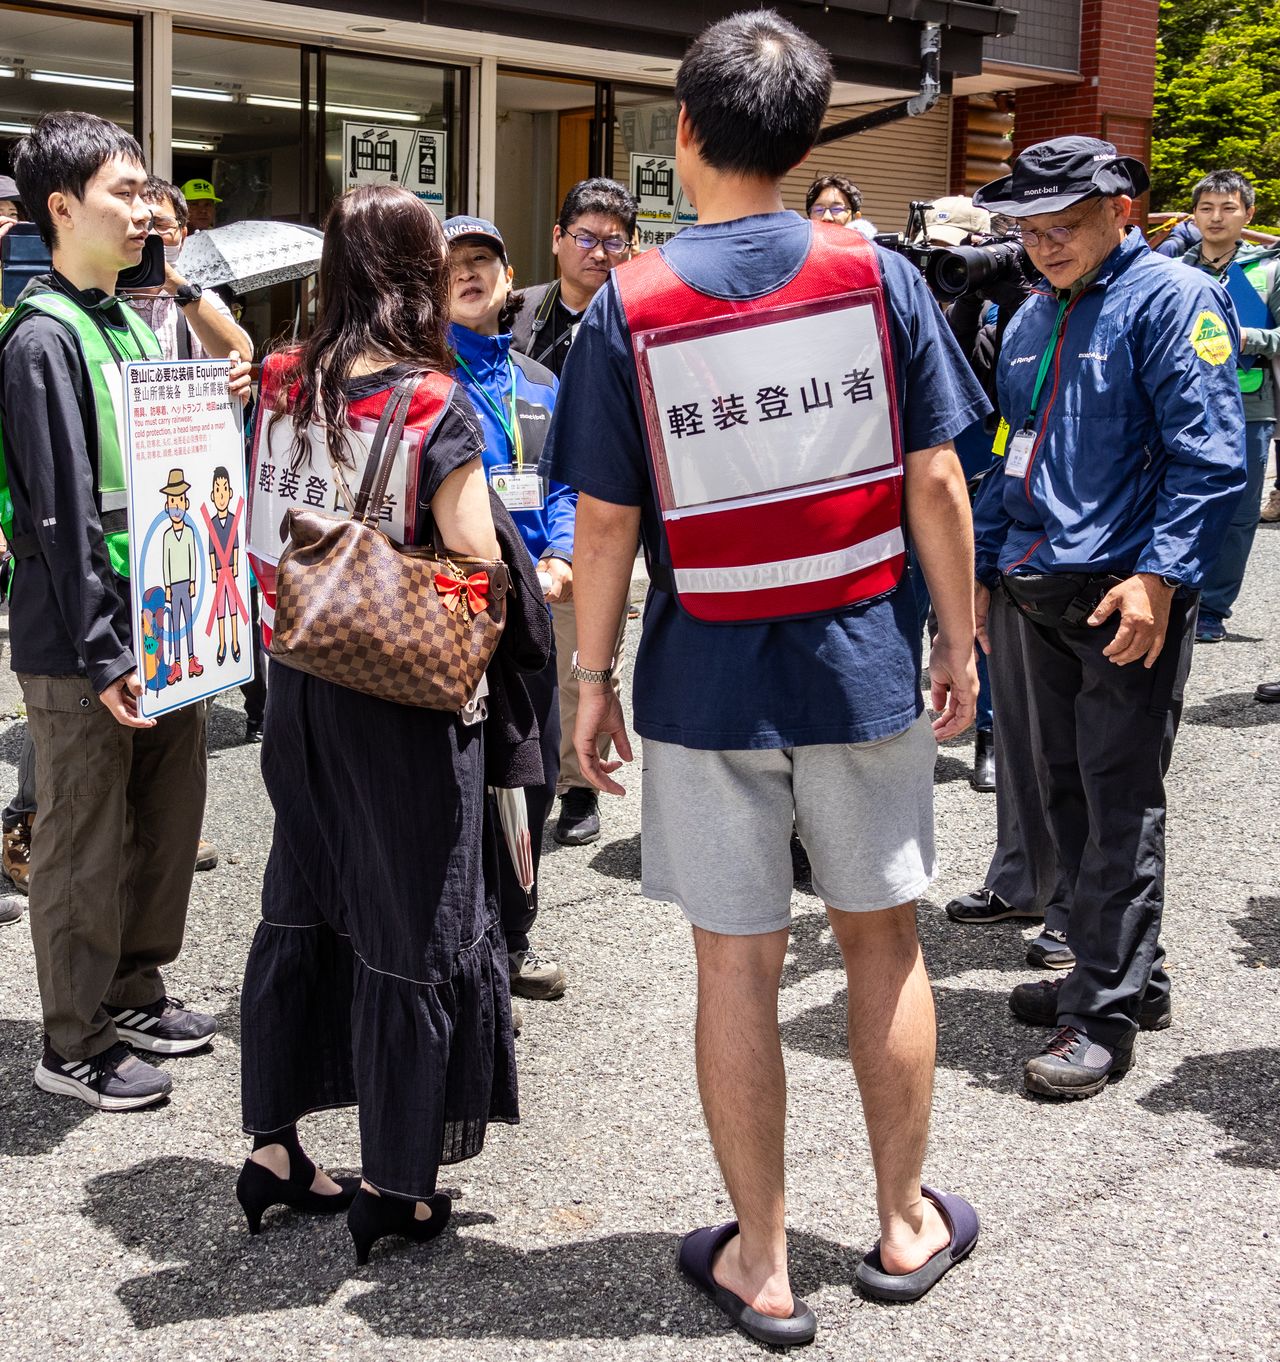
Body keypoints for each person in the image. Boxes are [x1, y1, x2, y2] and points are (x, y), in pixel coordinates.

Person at [544, 11, 987, 1346]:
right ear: (806, 142)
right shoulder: (879, 277)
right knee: (882, 940)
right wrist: (959, 641)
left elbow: (608, 522)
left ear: (684, 135)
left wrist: (588, 679)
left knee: (734, 969)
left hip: (706, 676)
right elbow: (938, 480)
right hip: (860, 661)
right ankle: (905, 1220)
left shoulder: (632, 301)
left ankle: (766, 1259)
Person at [238, 184, 527, 1262]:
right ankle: (396, 1181)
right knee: (411, 919)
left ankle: (272, 1146)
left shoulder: (279, 377)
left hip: (299, 676)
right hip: (399, 695)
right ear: (414, 276)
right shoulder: (428, 405)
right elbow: (471, 564)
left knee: (302, 896)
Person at [970, 136, 1246, 1098]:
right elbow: (1010, 443)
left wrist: (1162, 579)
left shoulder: (1174, 302)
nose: (1045, 246)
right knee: (1062, 792)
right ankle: (1123, 971)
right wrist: (985, 566)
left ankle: (1103, 1014)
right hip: (1035, 584)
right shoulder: (1034, 313)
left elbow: (1210, 459)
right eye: (1031, 231)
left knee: (1118, 799)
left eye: (1066, 227)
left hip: (1127, 596)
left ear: (1121, 208)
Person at [0, 112, 248, 1109]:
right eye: (125, 190)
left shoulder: (124, 322)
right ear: (62, 208)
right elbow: (58, 511)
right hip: (85, 639)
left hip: (166, 615)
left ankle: (135, 986)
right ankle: (72, 1038)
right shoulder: (41, 338)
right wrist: (107, 656)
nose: (149, 207)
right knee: (82, 834)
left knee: (164, 814)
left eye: (152, 189)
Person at [444, 213, 574, 1002]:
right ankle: (471, 947)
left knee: (535, 777)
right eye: (452, 262)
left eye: (482, 259)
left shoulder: (538, 379)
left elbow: (562, 480)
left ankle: (515, 937)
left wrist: (559, 554)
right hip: (452, 614)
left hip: (532, 613)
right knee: (463, 786)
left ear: (508, 274)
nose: (468, 272)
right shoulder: (422, 378)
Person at [510, 178, 638, 847]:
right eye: (585, 238)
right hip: (525, 504)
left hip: (603, 508)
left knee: (586, 655)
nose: (598, 252)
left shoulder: (639, 317)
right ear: (558, 241)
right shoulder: (518, 310)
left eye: (614, 240)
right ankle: (523, 774)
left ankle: (579, 785)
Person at [1178, 171, 1280, 643]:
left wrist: (1246, 337)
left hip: (1249, 403)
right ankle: (1176, 593)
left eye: (1228, 208)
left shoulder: (1269, 269)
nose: (1216, 218)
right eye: (1206, 208)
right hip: (1182, 402)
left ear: (1248, 214)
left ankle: (1214, 609)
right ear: (1193, 214)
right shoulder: (1176, 268)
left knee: (1239, 511)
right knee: (1177, 497)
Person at [805, 172, 877, 240]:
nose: (827, 217)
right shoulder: (799, 250)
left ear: (856, 217)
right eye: (818, 210)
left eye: (837, 209)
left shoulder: (870, 251)